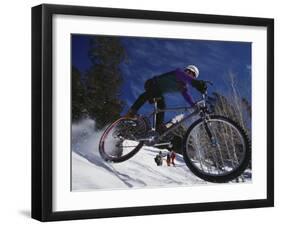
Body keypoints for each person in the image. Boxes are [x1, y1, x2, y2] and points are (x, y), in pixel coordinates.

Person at [124, 65, 206, 132]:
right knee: (151, 93)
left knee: (162, 105)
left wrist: (193, 104)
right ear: (186, 71)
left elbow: (187, 96)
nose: (189, 75)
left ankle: (158, 128)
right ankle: (131, 112)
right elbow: (186, 77)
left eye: (192, 75)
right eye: (188, 72)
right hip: (152, 83)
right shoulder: (178, 72)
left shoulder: (183, 87)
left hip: (158, 93)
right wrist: (197, 84)